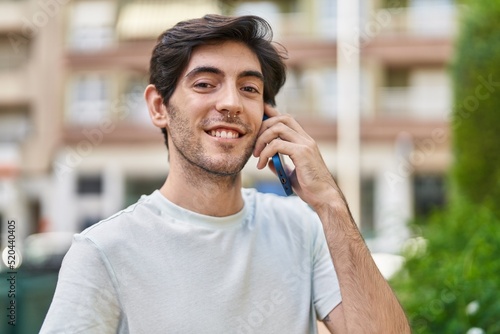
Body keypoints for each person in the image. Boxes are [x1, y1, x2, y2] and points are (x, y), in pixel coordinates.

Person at [41, 14, 410, 333]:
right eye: (205, 84)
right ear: (159, 107)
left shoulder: (302, 229)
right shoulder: (102, 251)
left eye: (249, 88)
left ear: (266, 116)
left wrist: (330, 202)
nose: (232, 103)